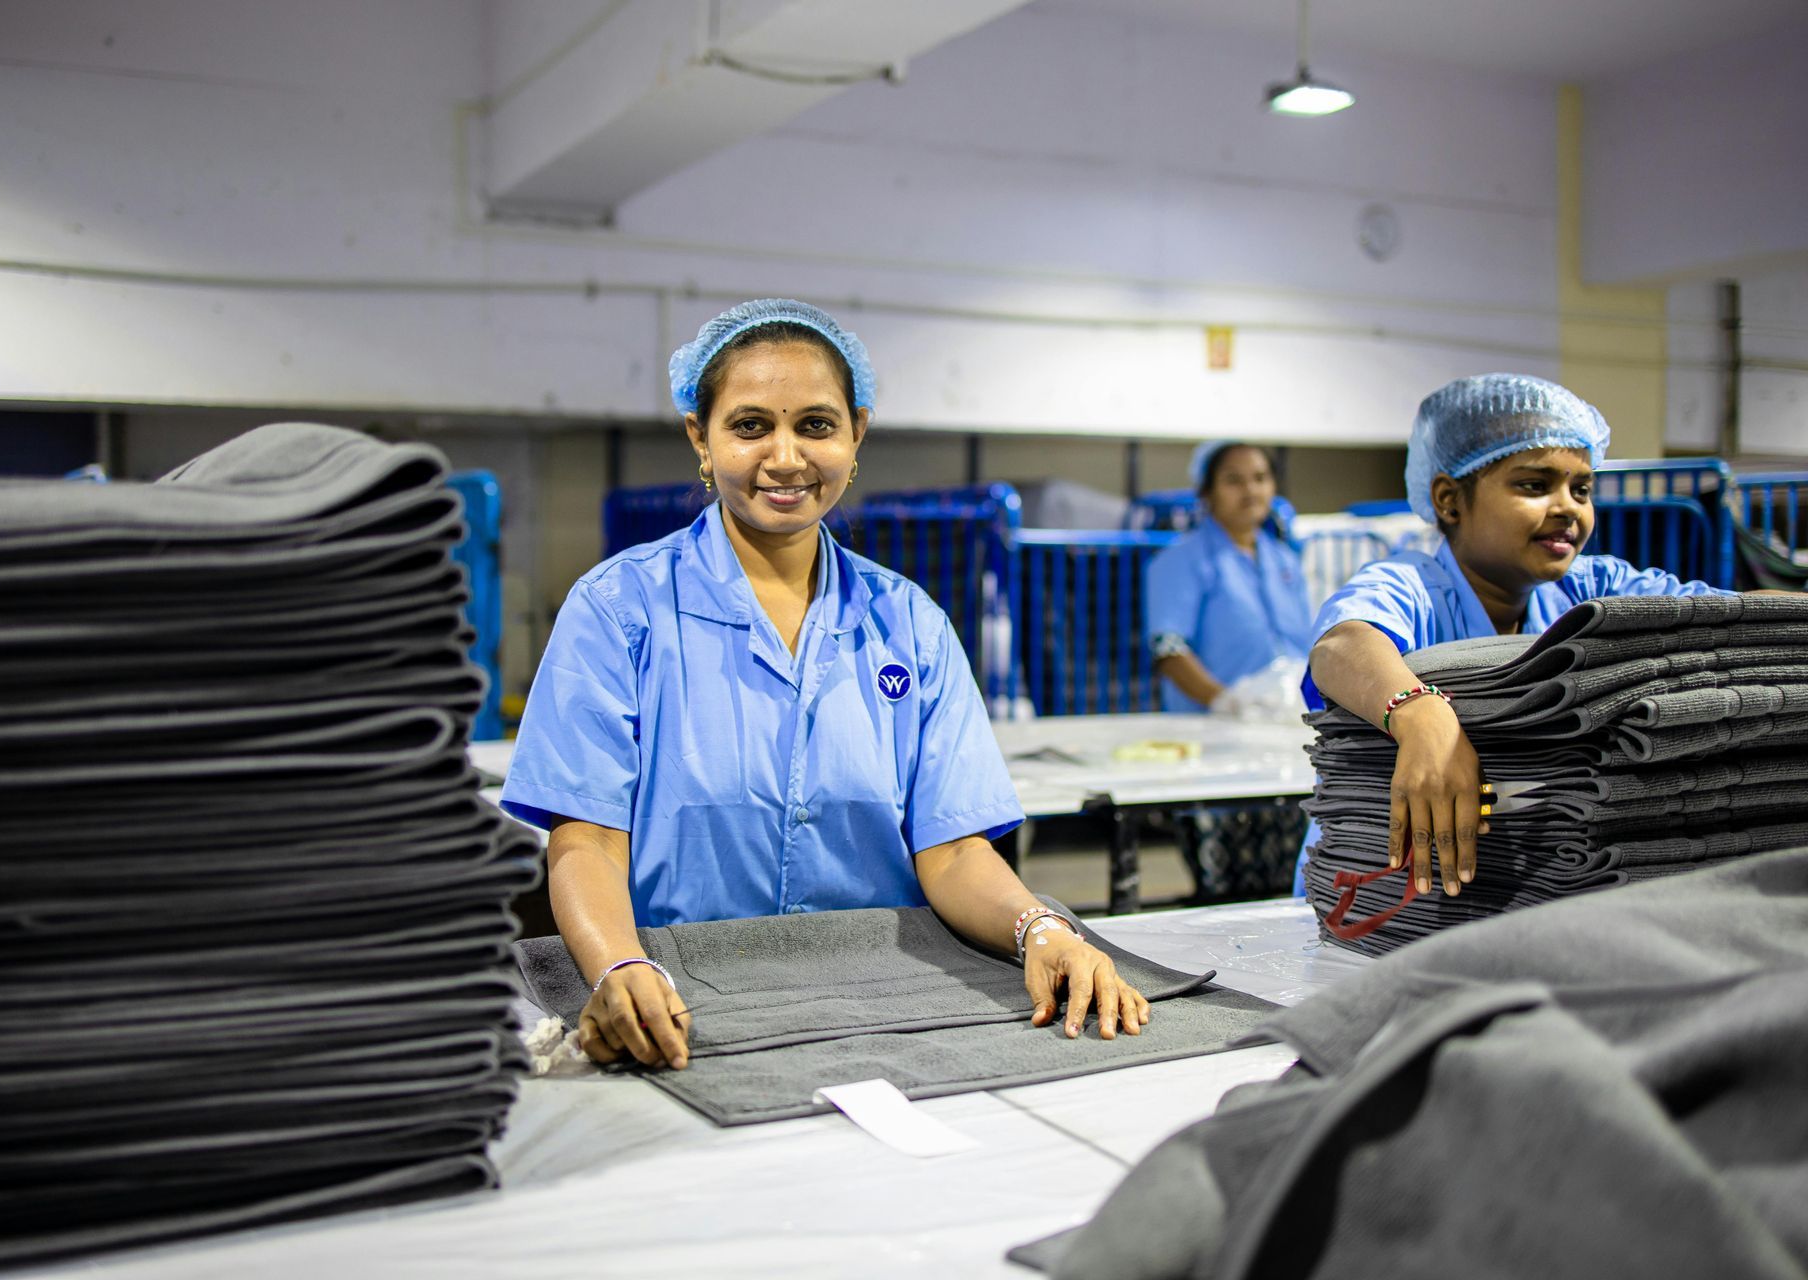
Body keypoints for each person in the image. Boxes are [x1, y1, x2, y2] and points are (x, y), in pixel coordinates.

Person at [503, 299, 1150, 1073]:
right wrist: (619, 966)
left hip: (887, 999)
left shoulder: (908, 621)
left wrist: (1041, 929)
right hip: (683, 996)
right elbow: (589, 842)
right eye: (749, 426)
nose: (785, 457)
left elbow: (950, 853)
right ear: (699, 440)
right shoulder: (618, 610)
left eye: (815, 424)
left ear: (856, 434)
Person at [1299, 372, 1731, 900]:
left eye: (1582, 488)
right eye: (1534, 485)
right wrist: (1421, 714)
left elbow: (1731, 616)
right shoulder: (1413, 586)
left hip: (1521, 883)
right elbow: (1342, 645)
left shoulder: (1594, 588)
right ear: (1449, 501)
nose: (1568, 506)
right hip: (1383, 892)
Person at [1145, 441, 1312, 716]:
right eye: (1233, 480)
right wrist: (1225, 702)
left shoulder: (1285, 560)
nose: (1250, 491)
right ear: (1206, 491)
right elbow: (1168, 649)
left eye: (1260, 478)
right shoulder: (1180, 560)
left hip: (1289, 715)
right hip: (1213, 722)